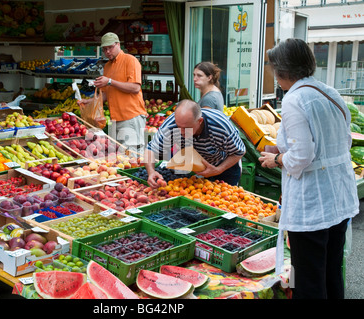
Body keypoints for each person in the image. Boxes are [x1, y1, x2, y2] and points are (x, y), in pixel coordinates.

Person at [258, 38, 359, 299]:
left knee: (309, 276)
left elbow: (301, 156)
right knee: (331, 270)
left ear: (281, 71)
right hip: (338, 196)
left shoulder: (294, 100)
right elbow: (344, 141)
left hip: (312, 202)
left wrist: (277, 160)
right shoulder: (330, 92)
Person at [144, 99, 245, 188]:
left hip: (224, 166)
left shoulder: (220, 126)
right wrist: (151, 172)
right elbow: (151, 149)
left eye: (186, 128)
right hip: (196, 169)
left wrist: (218, 169)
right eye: (179, 126)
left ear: (200, 121)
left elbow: (239, 151)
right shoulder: (171, 125)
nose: (182, 132)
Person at [79, 32, 147, 155]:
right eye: (105, 49)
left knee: (132, 156)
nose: (108, 52)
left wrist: (110, 81)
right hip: (116, 119)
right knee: (121, 157)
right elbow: (105, 95)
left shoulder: (130, 60)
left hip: (131, 117)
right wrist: (88, 102)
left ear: (118, 44)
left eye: (110, 47)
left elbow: (135, 87)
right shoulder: (107, 67)